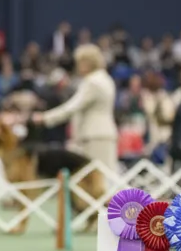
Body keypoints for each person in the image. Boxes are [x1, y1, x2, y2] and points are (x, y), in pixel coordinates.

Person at [33, 43, 119, 174]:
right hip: (105, 133)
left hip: (94, 136)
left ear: (87, 62)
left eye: (79, 62)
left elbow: (72, 107)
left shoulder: (92, 82)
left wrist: (44, 118)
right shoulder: (106, 78)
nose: (77, 66)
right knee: (108, 176)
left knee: (97, 179)